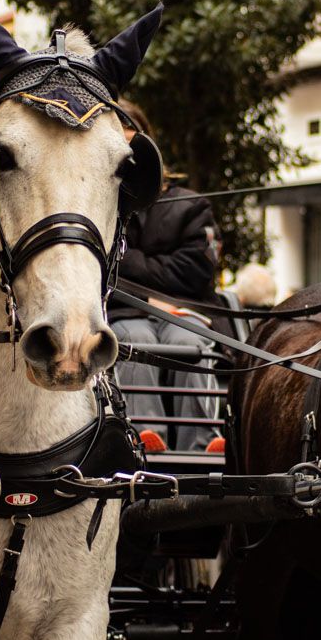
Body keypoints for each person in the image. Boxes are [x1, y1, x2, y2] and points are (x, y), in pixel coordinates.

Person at [108, 100, 223, 453]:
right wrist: (151, 289)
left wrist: (130, 261)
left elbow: (195, 271)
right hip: (125, 314)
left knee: (187, 344)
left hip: (184, 311)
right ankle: (143, 439)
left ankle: (203, 443)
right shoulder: (98, 206)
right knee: (136, 342)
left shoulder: (190, 205)